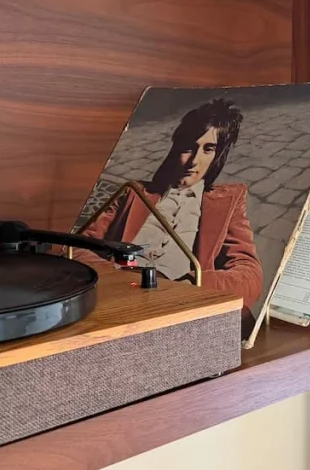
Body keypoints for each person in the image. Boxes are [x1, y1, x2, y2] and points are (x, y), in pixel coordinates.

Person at [80, 99, 263, 320]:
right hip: (122, 301)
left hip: (180, 307)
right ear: (177, 148)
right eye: (189, 148)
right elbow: (77, 249)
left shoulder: (228, 201)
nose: (194, 161)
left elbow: (249, 274)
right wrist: (119, 278)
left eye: (208, 149)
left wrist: (194, 284)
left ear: (217, 156)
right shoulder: (133, 192)